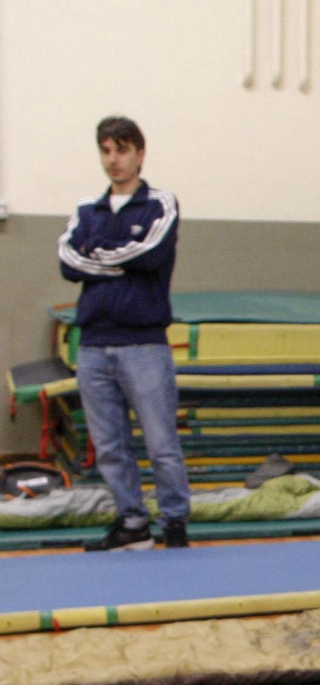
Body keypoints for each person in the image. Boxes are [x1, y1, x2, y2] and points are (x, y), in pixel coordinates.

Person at [58, 116, 190, 551]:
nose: (112, 160)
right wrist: (118, 263)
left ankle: (174, 525)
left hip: (144, 345)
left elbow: (150, 254)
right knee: (110, 445)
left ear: (140, 153)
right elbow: (66, 262)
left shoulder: (160, 203)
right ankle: (132, 523)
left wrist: (96, 261)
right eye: (106, 150)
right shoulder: (85, 210)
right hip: (94, 345)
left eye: (121, 150)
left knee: (161, 444)